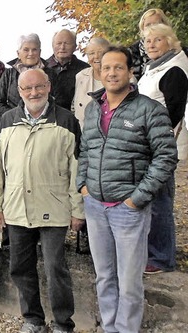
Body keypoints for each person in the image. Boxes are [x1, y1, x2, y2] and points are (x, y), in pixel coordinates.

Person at [77, 46, 178, 333]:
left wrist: (138, 198)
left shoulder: (149, 109)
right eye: (106, 67)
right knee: (104, 276)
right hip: (95, 205)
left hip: (128, 209)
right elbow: (86, 150)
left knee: (130, 281)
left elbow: (166, 156)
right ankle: (110, 327)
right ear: (99, 71)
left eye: (118, 67)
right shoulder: (94, 108)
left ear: (130, 71)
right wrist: (82, 186)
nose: (111, 73)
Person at [0, 69, 84, 333]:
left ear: (49, 86)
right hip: (16, 208)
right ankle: (33, 319)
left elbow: (77, 170)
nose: (33, 93)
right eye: (27, 89)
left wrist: (78, 210)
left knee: (55, 269)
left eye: (39, 87)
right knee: (20, 267)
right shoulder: (6, 121)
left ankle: (63, 323)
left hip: (55, 208)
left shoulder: (66, 120)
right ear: (19, 91)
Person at [138, 23, 188, 274]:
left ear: (170, 41)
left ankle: (161, 259)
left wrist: (152, 136)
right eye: (148, 41)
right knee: (149, 202)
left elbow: (173, 112)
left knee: (160, 203)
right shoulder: (152, 69)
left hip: (160, 146)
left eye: (157, 40)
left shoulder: (174, 70)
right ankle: (151, 252)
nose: (151, 45)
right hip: (146, 143)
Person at [0, 33, 56, 122]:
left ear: (40, 52)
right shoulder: (8, 74)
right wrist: (16, 118)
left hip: (45, 124)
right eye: (26, 50)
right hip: (14, 125)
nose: (30, 53)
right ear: (18, 53)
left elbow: (58, 102)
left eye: (34, 50)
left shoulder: (50, 74)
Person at [71, 37, 111, 129]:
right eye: (91, 53)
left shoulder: (123, 76)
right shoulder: (81, 76)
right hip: (84, 135)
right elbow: (74, 107)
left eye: (100, 52)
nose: (96, 56)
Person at [45, 29, 90, 110]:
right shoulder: (41, 69)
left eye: (67, 43)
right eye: (59, 43)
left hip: (75, 117)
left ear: (75, 47)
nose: (62, 47)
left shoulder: (85, 70)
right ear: (52, 45)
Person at [129, 8, 171, 81]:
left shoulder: (177, 51)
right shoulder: (131, 53)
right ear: (142, 28)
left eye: (156, 24)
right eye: (148, 25)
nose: (152, 28)